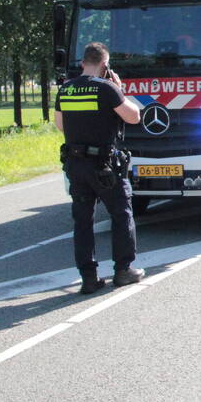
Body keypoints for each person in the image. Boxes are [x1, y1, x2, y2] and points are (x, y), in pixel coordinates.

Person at [55, 42, 145, 294]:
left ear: (83, 63)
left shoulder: (66, 90)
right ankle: (123, 270)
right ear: (105, 66)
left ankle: (89, 278)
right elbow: (133, 117)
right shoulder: (107, 88)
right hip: (105, 166)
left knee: (82, 221)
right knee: (121, 214)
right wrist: (119, 90)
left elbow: (60, 125)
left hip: (76, 165)